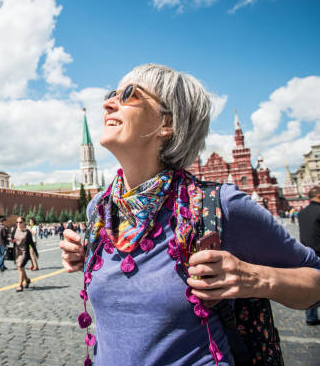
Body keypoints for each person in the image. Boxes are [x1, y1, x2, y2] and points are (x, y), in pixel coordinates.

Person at [59, 63, 320, 365]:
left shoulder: (219, 205)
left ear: (166, 123)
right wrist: (87, 257)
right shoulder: (99, 210)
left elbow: (314, 278)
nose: (107, 103)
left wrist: (255, 278)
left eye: (129, 94)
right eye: (111, 94)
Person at [299, 185, 320, 326]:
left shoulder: (302, 212)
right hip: (319, 251)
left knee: (312, 286)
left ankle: (311, 316)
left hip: (307, 253)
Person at [11, 217, 37, 292]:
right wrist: (12, 240)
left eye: (20, 222)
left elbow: (31, 242)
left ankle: (20, 285)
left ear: (24, 222)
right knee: (20, 268)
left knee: (20, 266)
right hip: (17, 251)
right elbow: (13, 238)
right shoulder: (15, 229)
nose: (18, 224)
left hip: (24, 252)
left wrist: (36, 252)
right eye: (17, 222)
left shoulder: (27, 232)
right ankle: (27, 279)